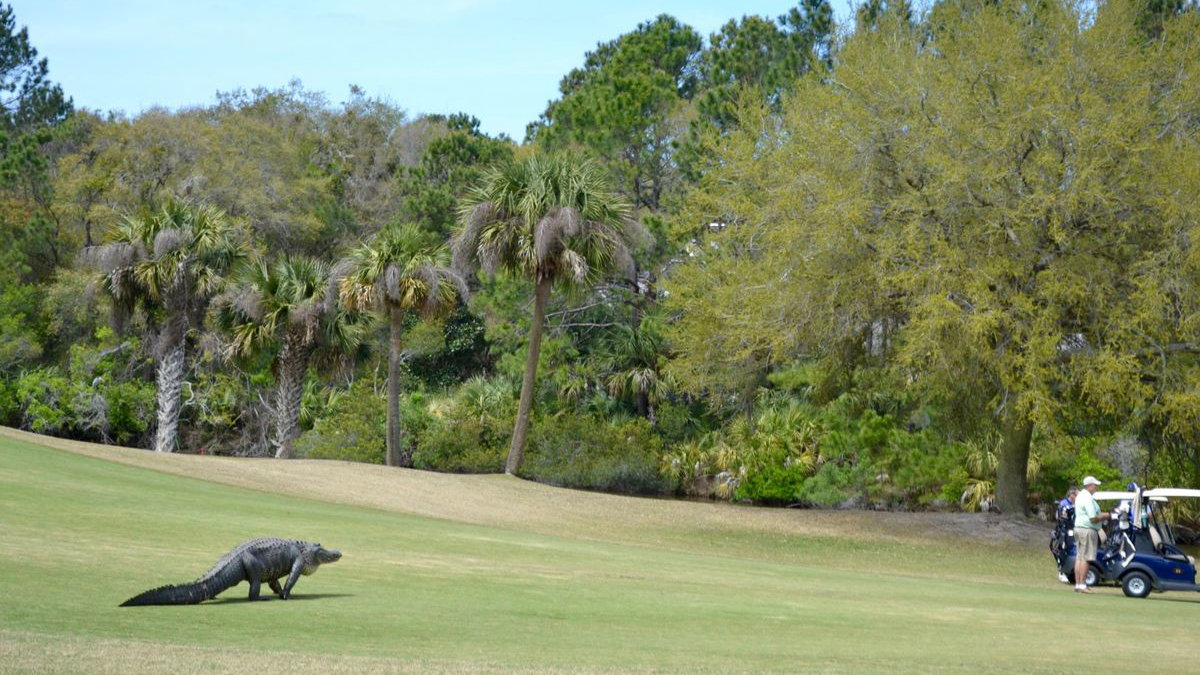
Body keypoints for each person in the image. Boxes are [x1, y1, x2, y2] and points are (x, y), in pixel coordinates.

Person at [1073, 476, 1109, 593]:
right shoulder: (1087, 498)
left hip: (1079, 528)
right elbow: (1093, 518)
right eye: (1095, 485)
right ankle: (1082, 585)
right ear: (1089, 485)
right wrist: (1106, 515)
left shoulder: (1080, 496)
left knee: (1079, 557)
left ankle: (1078, 584)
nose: (1097, 487)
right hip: (1087, 530)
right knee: (1086, 558)